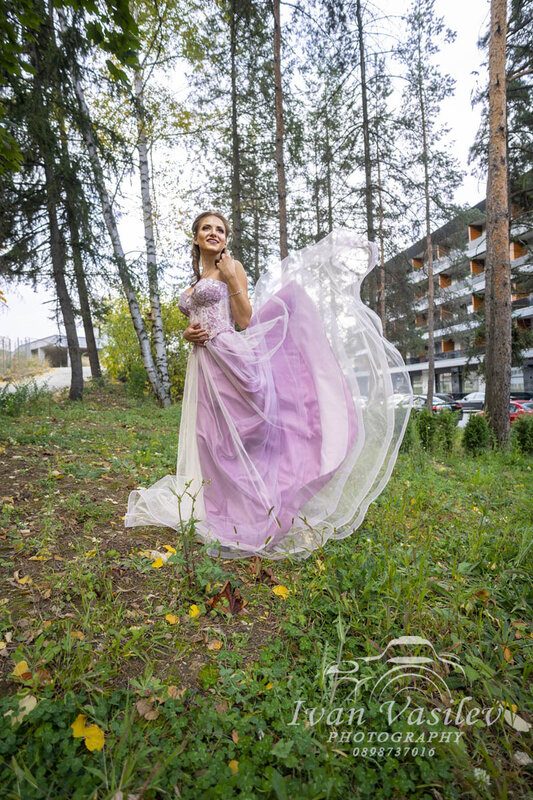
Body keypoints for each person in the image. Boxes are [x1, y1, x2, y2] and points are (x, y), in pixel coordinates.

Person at [124, 210, 413, 560]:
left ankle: (259, 511)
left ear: (225, 239)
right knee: (208, 438)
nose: (214, 233)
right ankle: (221, 511)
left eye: (220, 229)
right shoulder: (194, 282)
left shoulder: (231, 268)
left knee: (239, 437)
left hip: (228, 356)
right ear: (196, 237)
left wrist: (232, 278)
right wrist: (187, 333)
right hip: (202, 364)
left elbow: (245, 319)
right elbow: (195, 317)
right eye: (207, 228)